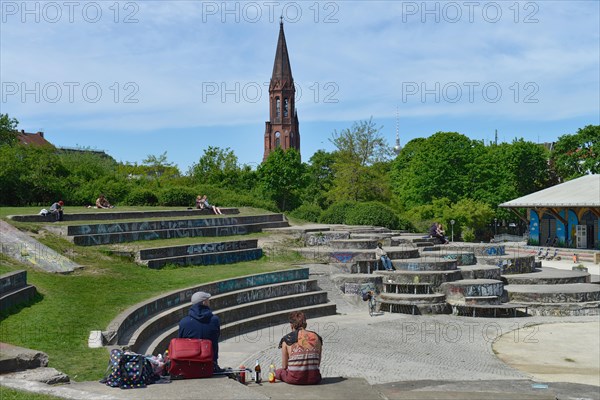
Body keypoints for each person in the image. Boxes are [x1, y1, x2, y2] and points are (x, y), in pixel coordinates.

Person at [178, 291, 223, 372]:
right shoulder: (215, 320)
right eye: (208, 300)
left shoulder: (183, 322)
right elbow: (216, 337)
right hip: (210, 364)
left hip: (189, 365)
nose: (209, 302)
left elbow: (180, 341)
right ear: (204, 302)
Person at [276, 311, 322, 385]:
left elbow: (284, 366)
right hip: (314, 378)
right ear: (305, 324)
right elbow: (318, 363)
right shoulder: (317, 338)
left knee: (278, 372)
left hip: (294, 379)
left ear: (291, 325)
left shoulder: (286, 340)